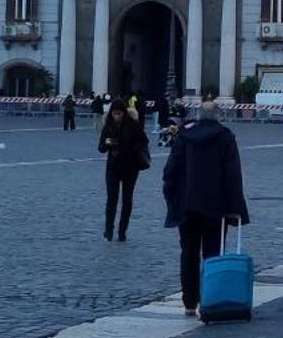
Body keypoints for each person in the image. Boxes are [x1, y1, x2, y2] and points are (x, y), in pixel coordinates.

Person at [160, 99, 250, 315]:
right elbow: (232, 175)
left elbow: (170, 171)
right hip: (216, 206)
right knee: (212, 254)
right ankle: (209, 297)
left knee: (188, 252)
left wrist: (173, 198)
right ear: (219, 116)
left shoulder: (184, 136)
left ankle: (189, 301)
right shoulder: (225, 137)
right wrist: (236, 206)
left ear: (199, 116)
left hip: (187, 205)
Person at [98, 98, 151, 242]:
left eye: (119, 113)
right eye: (114, 114)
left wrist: (128, 145)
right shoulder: (108, 125)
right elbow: (101, 148)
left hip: (130, 167)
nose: (116, 116)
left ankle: (122, 231)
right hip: (113, 167)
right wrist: (108, 142)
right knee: (111, 199)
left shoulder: (134, 126)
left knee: (127, 200)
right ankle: (108, 230)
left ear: (124, 113)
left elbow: (144, 141)